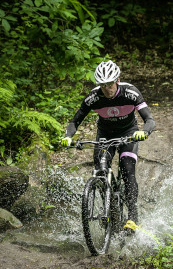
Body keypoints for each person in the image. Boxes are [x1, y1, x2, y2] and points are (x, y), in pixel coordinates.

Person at [60, 60, 156, 230]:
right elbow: (75, 121)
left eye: (110, 84)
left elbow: (149, 119)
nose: (107, 89)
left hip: (128, 133)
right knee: (100, 167)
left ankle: (132, 217)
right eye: (103, 85)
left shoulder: (130, 92)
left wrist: (144, 132)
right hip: (105, 135)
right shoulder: (94, 97)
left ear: (117, 80)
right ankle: (110, 210)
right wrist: (68, 136)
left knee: (127, 168)